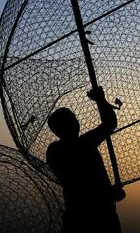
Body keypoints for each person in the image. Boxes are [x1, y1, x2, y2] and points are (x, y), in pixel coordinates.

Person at [46, 86, 123, 233]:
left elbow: (110, 124)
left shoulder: (56, 150)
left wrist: (101, 101)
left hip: (83, 216)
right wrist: (100, 100)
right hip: (91, 218)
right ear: (61, 128)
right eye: (71, 120)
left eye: (74, 118)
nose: (76, 122)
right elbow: (80, 183)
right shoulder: (78, 144)